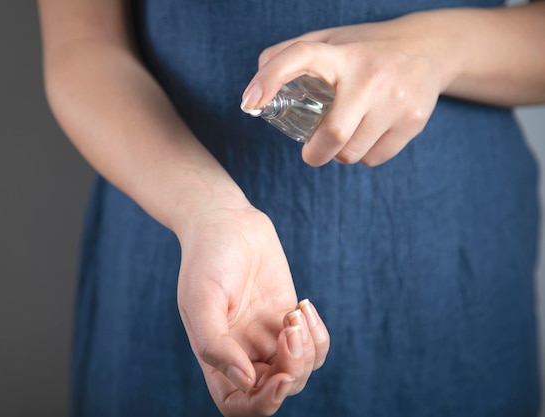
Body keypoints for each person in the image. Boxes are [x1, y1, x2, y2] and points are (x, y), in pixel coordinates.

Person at [37, 0, 545, 416]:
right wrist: (208, 212)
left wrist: (432, 50)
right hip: (182, 244)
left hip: (449, 259)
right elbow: (84, 46)